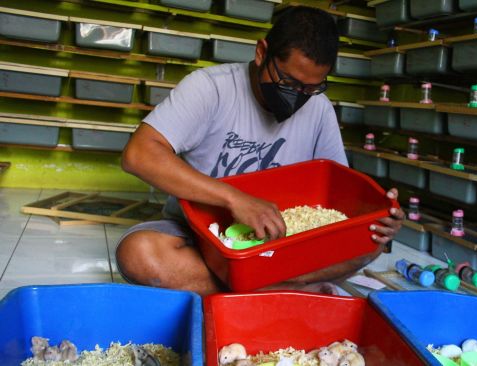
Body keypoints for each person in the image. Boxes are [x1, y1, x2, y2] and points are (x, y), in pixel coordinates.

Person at [116, 6, 404, 296]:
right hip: (203, 239)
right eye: (288, 83)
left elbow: (342, 198)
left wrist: (379, 214)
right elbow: (138, 154)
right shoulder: (210, 88)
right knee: (139, 254)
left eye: (311, 88)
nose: (297, 98)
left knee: (372, 242)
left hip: (282, 246)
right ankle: (292, 291)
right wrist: (234, 199)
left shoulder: (318, 109)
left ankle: (252, 288)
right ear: (261, 52)